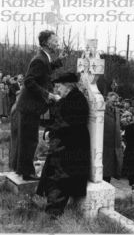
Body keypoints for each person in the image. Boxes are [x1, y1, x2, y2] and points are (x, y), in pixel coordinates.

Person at [36, 73, 90, 218]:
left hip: (71, 147)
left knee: (60, 178)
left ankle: (53, 213)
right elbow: (56, 121)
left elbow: (69, 125)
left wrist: (51, 133)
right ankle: (51, 209)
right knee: (54, 175)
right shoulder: (68, 99)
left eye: (58, 86)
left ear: (68, 86)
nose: (56, 90)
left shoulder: (77, 100)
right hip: (64, 144)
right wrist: (48, 132)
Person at [14, 30, 66, 180]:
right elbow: (29, 81)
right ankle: (27, 173)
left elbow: (45, 69)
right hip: (30, 106)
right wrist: (48, 95)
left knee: (27, 139)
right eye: (55, 41)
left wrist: (58, 61)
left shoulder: (44, 58)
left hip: (29, 106)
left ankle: (22, 169)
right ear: (46, 43)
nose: (58, 43)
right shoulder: (40, 59)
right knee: (29, 140)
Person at [103, 92, 123, 182]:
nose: (114, 103)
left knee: (111, 168)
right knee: (104, 168)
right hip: (104, 143)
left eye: (116, 101)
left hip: (114, 144)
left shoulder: (116, 111)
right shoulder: (102, 110)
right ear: (107, 99)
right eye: (113, 101)